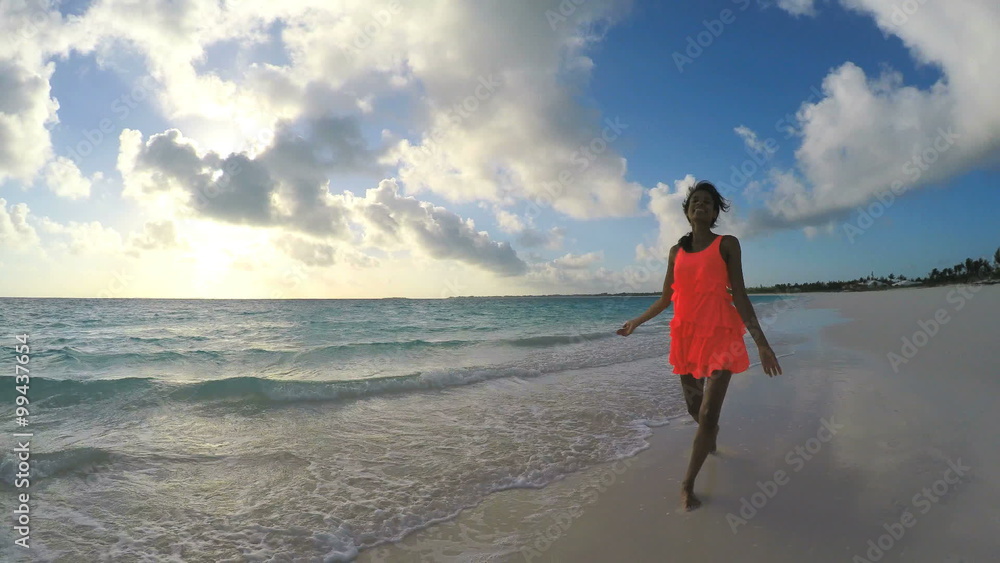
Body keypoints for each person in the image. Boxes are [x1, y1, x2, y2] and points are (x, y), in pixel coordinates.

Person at [617, 180, 782, 510]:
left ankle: (687, 485)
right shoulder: (676, 252)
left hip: (721, 336)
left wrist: (762, 344)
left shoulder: (727, 244)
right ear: (687, 211)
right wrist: (637, 321)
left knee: (707, 414)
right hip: (687, 338)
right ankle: (710, 436)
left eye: (707, 202)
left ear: (715, 211)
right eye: (695, 201)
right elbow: (666, 298)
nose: (701, 205)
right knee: (695, 409)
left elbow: (740, 296)